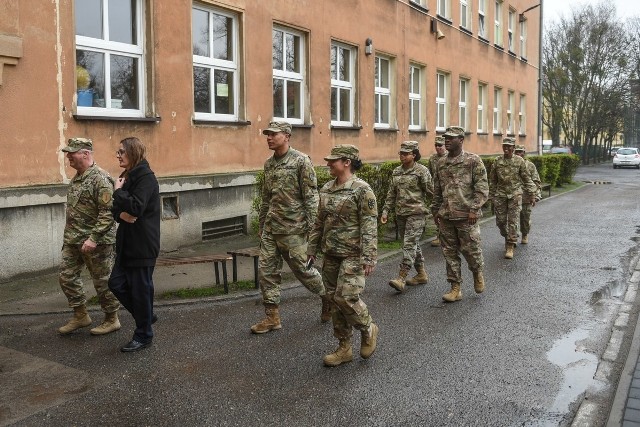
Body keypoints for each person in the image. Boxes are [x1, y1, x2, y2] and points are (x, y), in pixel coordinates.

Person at [251, 121, 328, 334]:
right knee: (266, 272)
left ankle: (327, 297)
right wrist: (262, 222)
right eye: (267, 134)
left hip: (294, 229)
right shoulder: (269, 164)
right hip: (271, 229)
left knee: (304, 271)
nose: (268, 137)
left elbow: (311, 197)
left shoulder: (301, 161)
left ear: (286, 136)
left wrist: (314, 231)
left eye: (273, 134)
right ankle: (272, 317)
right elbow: (267, 197)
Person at [307, 144, 379, 367]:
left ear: (347, 162)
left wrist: (369, 256)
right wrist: (311, 249)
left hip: (353, 255)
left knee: (345, 297)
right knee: (332, 300)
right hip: (331, 253)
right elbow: (319, 222)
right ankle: (344, 347)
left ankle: (368, 328)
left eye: (333, 160)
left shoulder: (362, 190)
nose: (328, 163)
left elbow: (369, 225)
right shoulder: (327, 188)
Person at [58, 137, 121, 335]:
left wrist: (93, 238)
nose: (68, 156)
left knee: (102, 281)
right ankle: (80, 315)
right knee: (66, 276)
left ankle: (112, 318)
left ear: (85, 154)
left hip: (98, 241)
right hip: (74, 239)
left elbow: (108, 213)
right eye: (68, 153)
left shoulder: (100, 179)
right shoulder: (77, 177)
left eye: (72, 153)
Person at [108, 137, 160, 352]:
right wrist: (121, 213)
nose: (118, 155)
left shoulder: (146, 178)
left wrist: (119, 193)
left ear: (133, 152)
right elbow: (115, 211)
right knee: (116, 283)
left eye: (121, 151)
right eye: (118, 152)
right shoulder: (127, 177)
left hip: (142, 245)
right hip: (127, 244)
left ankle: (143, 335)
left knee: (140, 291)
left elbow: (137, 208)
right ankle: (146, 315)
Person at [431, 126, 489, 303]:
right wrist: (435, 211)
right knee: (449, 253)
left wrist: (474, 209)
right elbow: (437, 190)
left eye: (451, 138)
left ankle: (477, 273)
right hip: (447, 216)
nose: (447, 140)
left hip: (466, 216)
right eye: (445, 138)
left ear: (461, 140)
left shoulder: (473, 161)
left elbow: (482, 187)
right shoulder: (441, 163)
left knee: (471, 251)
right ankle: (455, 287)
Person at [381, 140, 433, 291]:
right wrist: (385, 211)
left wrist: (434, 211)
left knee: (408, 244)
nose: (402, 156)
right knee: (412, 245)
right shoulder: (396, 171)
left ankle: (401, 277)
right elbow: (391, 194)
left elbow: (431, 192)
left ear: (414, 155)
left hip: (416, 214)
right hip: (401, 214)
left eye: (405, 153)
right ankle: (421, 274)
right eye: (401, 153)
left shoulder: (422, 171)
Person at [489, 138, 538, 259]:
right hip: (500, 195)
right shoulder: (497, 161)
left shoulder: (519, 161)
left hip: (515, 195)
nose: (506, 148)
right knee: (500, 222)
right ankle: (507, 236)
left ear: (513, 148)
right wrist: (491, 196)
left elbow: (527, 179)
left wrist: (532, 194)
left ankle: (510, 245)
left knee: (513, 220)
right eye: (504, 146)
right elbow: (493, 180)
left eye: (509, 146)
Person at [514, 145, 542, 244]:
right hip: (513, 197)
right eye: (516, 151)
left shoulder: (530, 165)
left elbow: (536, 181)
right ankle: (513, 238)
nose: (518, 153)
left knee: (525, 218)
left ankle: (525, 234)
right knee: (513, 219)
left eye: (520, 152)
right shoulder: (511, 164)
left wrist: (535, 194)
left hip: (526, 196)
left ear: (524, 153)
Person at [428, 136, 447, 247]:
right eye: (436, 145)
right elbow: (430, 174)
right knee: (436, 212)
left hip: (448, 190)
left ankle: (447, 235)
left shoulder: (449, 158)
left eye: (440, 145)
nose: (438, 147)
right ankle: (439, 235)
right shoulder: (432, 159)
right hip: (437, 191)